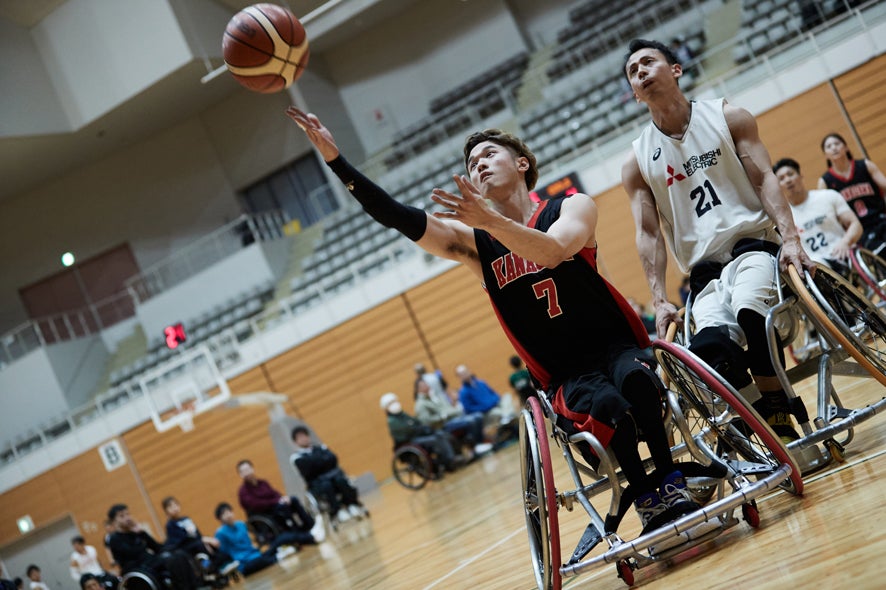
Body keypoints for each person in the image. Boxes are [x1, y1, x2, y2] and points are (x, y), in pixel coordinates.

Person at [286, 106, 703, 540]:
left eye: (487, 154)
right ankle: (646, 498)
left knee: (636, 382)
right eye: (471, 163)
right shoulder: (473, 243)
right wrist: (338, 163)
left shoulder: (571, 206)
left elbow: (553, 251)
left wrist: (489, 220)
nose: (478, 164)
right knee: (609, 406)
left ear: (522, 164)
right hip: (566, 375)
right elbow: (395, 215)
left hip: (616, 346)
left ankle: (670, 483)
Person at [621, 38, 814, 444]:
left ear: (675, 69)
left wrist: (792, 239)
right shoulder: (638, 160)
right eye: (632, 71)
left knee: (750, 312)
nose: (640, 71)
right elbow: (649, 233)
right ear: (635, 95)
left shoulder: (728, 117)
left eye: (648, 62)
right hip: (704, 273)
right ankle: (753, 421)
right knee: (710, 348)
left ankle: (777, 413)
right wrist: (658, 300)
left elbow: (764, 178)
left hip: (753, 245)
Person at [775, 157, 862, 272]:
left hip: (843, 254)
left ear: (801, 176)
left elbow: (855, 224)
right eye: (781, 179)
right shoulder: (781, 219)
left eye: (790, 174)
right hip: (816, 267)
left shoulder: (828, 196)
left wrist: (845, 242)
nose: (787, 180)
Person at [818, 132, 886, 254]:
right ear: (826, 155)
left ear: (846, 147)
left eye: (837, 143)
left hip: (880, 218)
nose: (834, 147)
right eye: (829, 146)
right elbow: (827, 215)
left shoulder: (865, 165)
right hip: (858, 230)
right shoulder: (825, 181)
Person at [106, 503, 201, 589]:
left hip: (150, 561)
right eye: (122, 516)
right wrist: (138, 535)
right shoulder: (114, 539)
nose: (127, 518)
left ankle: (194, 587)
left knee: (180, 554)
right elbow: (132, 553)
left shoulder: (135, 531)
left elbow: (157, 548)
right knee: (172, 560)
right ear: (114, 522)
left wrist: (142, 533)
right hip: (136, 567)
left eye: (128, 514)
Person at [290, 426, 367, 523]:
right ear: (295, 442)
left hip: (333, 476)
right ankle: (337, 511)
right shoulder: (296, 457)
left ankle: (352, 505)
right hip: (316, 483)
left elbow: (333, 460)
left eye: (304, 436)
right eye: (300, 438)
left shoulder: (321, 447)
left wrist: (315, 462)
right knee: (327, 485)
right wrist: (322, 461)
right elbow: (308, 471)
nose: (303, 439)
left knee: (341, 480)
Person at [236, 459, 318, 545]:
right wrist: (276, 501)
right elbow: (256, 504)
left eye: (248, 469)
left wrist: (283, 498)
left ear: (252, 469)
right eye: (244, 471)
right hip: (265, 513)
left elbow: (274, 493)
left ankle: (310, 525)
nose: (247, 472)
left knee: (293, 499)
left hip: (275, 506)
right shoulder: (243, 492)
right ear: (241, 474)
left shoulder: (263, 483)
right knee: (283, 507)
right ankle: (297, 533)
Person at [213, 503, 298, 577]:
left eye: (229, 512)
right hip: (243, 563)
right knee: (257, 562)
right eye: (224, 514)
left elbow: (249, 543)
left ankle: (278, 555)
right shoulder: (220, 533)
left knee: (279, 541)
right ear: (220, 519)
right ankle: (278, 557)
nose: (228, 515)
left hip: (255, 554)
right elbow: (224, 552)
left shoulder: (241, 524)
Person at [380, 392, 458, 473]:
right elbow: (408, 430)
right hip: (410, 441)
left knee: (440, 434)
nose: (394, 404)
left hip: (417, 436)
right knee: (434, 439)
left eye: (394, 401)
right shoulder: (392, 421)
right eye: (390, 403)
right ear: (386, 408)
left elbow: (416, 422)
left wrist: (419, 427)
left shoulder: (402, 414)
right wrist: (415, 427)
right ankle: (449, 461)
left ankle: (452, 456)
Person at [162, 496, 239, 576]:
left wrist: (206, 540)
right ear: (166, 511)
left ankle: (226, 562)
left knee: (215, 543)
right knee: (201, 546)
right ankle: (211, 568)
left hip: (198, 542)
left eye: (175, 504)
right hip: (186, 547)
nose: (174, 508)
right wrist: (203, 541)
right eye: (170, 506)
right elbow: (182, 540)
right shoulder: (170, 525)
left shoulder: (186, 519)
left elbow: (198, 534)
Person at [414, 379, 489, 456]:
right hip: (442, 426)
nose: (426, 386)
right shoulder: (420, 404)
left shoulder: (435, 396)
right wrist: (442, 417)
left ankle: (480, 443)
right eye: (423, 385)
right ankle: (476, 447)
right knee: (471, 421)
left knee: (478, 416)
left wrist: (454, 411)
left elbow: (448, 408)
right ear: (418, 389)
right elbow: (426, 421)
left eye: (426, 383)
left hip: (453, 419)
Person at [454, 364, 516, 443]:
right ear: (459, 377)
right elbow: (469, 409)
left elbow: (495, 394)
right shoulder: (463, 392)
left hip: (495, 404)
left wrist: (493, 401)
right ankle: (507, 416)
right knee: (497, 412)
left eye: (465, 371)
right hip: (486, 413)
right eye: (462, 374)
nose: (465, 374)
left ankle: (506, 417)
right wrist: (486, 406)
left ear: (469, 371)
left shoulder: (481, 383)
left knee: (507, 396)